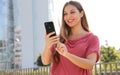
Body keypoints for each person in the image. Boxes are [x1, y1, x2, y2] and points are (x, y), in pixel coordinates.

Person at [41, 1, 100, 75]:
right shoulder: (58, 38)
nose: (68, 16)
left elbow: (90, 65)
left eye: (72, 12)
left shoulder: (92, 38)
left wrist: (67, 54)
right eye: (65, 14)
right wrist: (47, 45)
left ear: (81, 13)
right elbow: (45, 61)